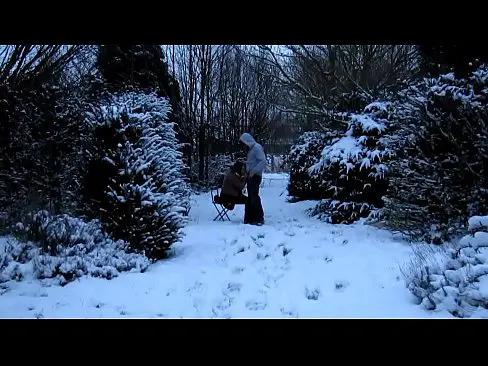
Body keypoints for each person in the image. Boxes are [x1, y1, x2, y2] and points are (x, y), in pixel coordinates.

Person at [239, 132, 267, 225]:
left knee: (254, 197)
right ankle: (250, 218)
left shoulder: (257, 148)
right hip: (251, 176)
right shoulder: (252, 149)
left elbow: (263, 162)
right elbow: (251, 162)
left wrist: (254, 171)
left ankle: (259, 218)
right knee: (251, 197)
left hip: (255, 176)